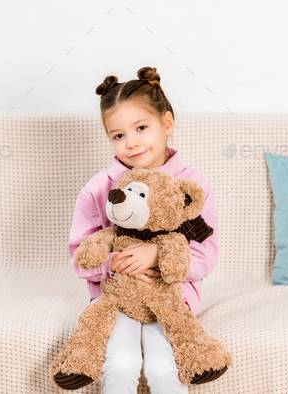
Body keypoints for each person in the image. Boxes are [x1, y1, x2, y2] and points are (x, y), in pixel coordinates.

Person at [68, 66, 220, 393]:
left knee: (163, 370)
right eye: (119, 135)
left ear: (166, 123)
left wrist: (157, 254)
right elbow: (79, 257)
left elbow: (206, 257)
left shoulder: (192, 187)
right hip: (115, 300)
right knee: (122, 366)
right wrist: (113, 265)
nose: (132, 143)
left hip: (173, 300)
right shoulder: (101, 188)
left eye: (141, 128)